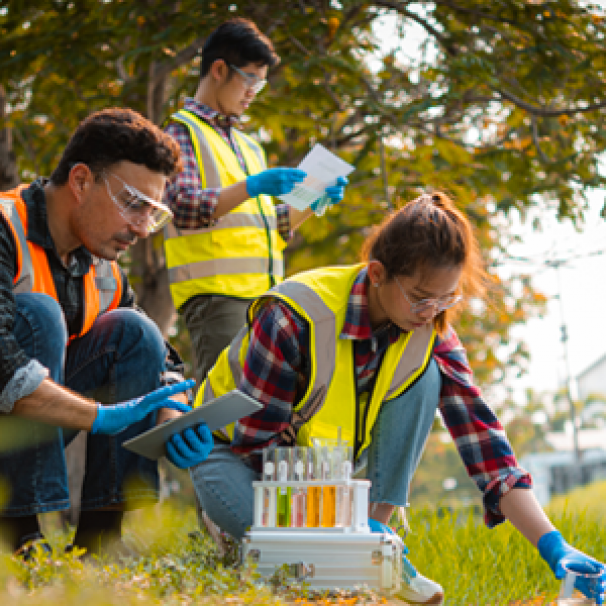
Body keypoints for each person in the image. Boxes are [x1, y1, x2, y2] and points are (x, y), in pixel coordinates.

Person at [188, 192, 606, 605]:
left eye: (446, 298)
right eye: (421, 296)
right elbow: (258, 447)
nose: (431, 311)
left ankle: (370, 540)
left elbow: (485, 445)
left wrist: (554, 545)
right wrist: (343, 530)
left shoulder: (431, 333)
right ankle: (306, 548)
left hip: (324, 476)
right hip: (234, 457)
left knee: (427, 377)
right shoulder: (294, 316)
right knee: (306, 562)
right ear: (376, 273)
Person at [0, 108, 213, 558]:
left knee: (134, 331)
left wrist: (172, 418)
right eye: (133, 204)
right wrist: (98, 415)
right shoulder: (4, 227)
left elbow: (165, 361)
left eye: (151, 213)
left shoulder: (102, 267)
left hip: (31, 431)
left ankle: (101, 545)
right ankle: (20, 538)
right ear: (81, 181)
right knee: (39, 314)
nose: (140, 229)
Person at [162, 17, 348, 387]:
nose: (253, 92)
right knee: (226, 409)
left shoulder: (249, 145)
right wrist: (252, 185)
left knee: (268, 406)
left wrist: (313, 198)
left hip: (265, 300)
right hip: (217, 301)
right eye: (249, 79)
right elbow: (182, 207)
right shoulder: (181, 132)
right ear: (218, 70)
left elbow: (274, 225)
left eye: (259, 83)